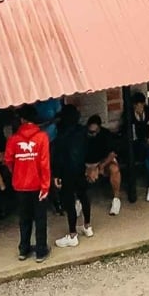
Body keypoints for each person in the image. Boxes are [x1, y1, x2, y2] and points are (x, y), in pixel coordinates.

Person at [5, 106, 52, 263]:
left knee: (24, 218)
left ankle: (23, 250)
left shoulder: (13, 139)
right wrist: (45, 186)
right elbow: (45, 164)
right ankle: (40, 251)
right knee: (40, 218)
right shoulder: (42, 137)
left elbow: (8, 160)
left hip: (20, 185)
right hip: (38, 185)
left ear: (22, 120)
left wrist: (17, 172)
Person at [51, 106, 89, 248]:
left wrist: (56, 175)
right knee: (84, 196)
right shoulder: (82, 131)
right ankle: (87, 226)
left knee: (69, 202)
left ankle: (72, 234)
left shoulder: (61, 135)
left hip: (67, 172)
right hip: (81, 169)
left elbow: (58, 157)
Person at [84, 115, 126, 217]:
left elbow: (112, 153)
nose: (92, 134)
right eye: (90, 132)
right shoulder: (82, 135)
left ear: (99, 129)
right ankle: (78, 200)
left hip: (103, 162)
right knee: (73, 171)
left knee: (114, 169)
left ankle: (116, 199)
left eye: (94, 132)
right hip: (87, 163)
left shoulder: (106, 134)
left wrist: (100, 167)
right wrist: (88, 169)